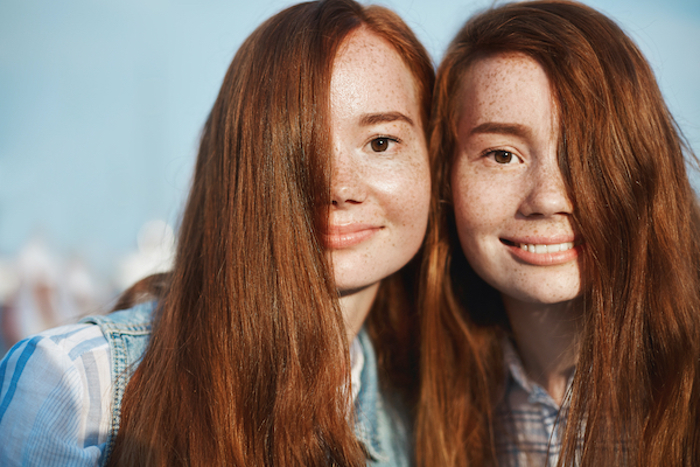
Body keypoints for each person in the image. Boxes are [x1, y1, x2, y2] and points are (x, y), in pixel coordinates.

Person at [0, 0, 434, 465]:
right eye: (297, 147)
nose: (339, 187)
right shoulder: (75, 385)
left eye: (381, 143)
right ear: (237, 168)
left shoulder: (422, 411)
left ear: (433, 159)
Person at [416, 1, 700, 466]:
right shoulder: (412, 394)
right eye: (502, 155)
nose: (548, 198)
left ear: (646, 165)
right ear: (444, 174)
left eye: (584, 152)